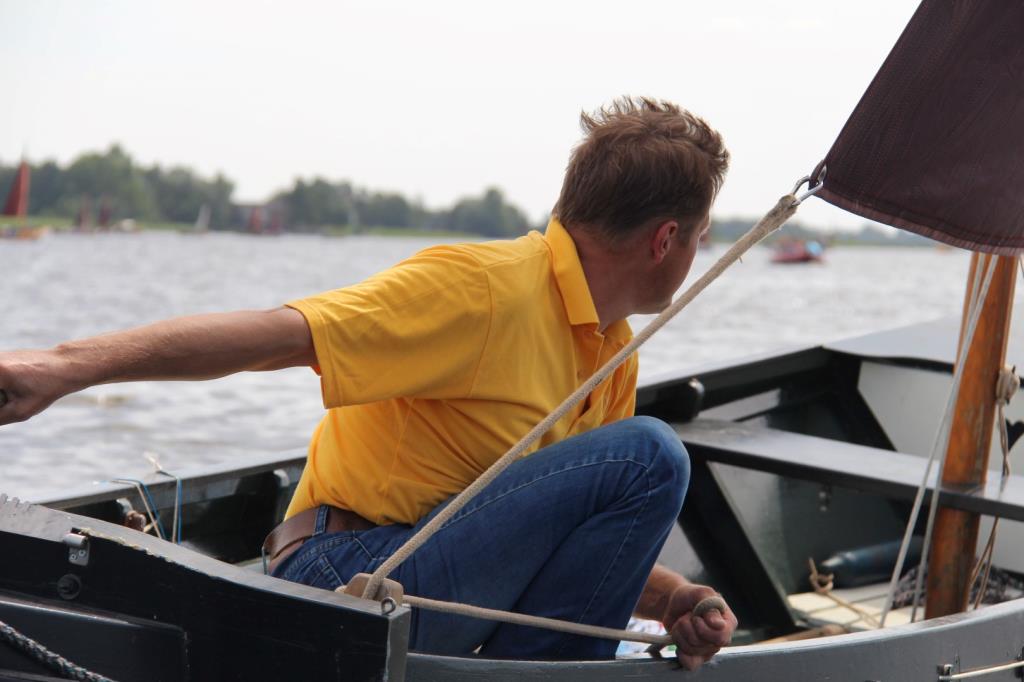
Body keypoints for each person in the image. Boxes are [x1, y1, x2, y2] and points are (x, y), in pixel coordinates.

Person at [0, 96, 737, 668]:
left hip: (427, 590)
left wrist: (675, 596)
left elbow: (555, 534)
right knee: (652, 455)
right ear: (665, 239)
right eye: (700, 238)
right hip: (344, 583)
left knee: (639, 459)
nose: (696, 255)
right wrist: (67, 366)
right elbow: (276, 335)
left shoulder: (612, 354)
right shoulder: (484, 290)